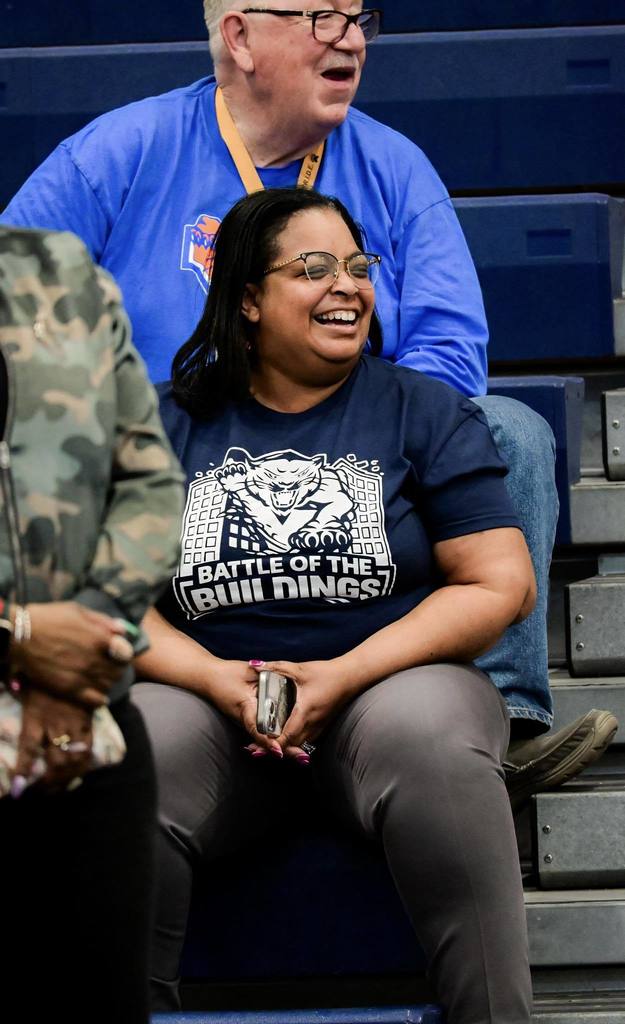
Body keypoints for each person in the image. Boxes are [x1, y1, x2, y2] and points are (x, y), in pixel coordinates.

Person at [1, 1, 616, 794]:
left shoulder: (393, 166)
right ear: (240, 36)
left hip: (358, 447)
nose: (351, 38)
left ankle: (497, 722)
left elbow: (449, 344)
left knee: (511, 431)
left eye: (359, 17)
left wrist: (353, 432)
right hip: (169, 449)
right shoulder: (120, 152)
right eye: (320, 18)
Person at [134, 186, 536, 1020]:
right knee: (127, 746)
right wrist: (217, 681)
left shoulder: (419, 409)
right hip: (207, 703)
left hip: (383, 692)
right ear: (247, 297)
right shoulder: (165, 426)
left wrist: (341, 675)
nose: (347, 285)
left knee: (431, 735)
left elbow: (499, 579)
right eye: (313, 268)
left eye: (357, 266)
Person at [0, 225, 184, 1022]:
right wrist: (21, 641)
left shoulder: (62, 271)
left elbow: (150, 483)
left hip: (87, 733)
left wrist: (79, 659)